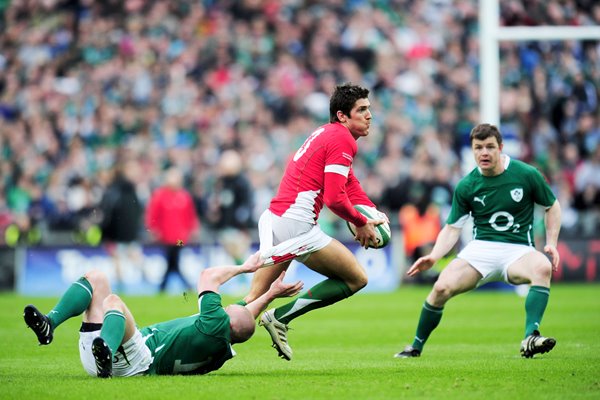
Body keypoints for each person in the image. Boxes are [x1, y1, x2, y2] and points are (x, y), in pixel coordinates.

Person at [241, 82, 387, 361]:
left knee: (252, 300)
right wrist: (360, 221)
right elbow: (334, 199)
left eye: (369, 109)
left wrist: (372, 211)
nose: (369, 115)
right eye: (362, 110)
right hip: (298, 225)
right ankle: (280, 317)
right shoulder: (342, 140)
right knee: (356, 278)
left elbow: (349, 184)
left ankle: (205, 336)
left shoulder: (328, 134)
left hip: (277, 217)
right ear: (342, 115)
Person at [394, 123, 561, 359]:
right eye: (478, 147)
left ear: (501, 148)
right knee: (441, 287)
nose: (484, 152)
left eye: (490, 147)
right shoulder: (467, 185)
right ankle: (415, 347)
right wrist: (434, 256)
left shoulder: (526, 174)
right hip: (480, 250)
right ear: (472, 150)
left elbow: (552, 206)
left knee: (542, 267)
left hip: (518, 250)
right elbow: (452, 228)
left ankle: (530, 337)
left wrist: (551, 242)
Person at [23, 251, 303, 378]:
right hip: (118, 356)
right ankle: (50, 324)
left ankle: (105, 350)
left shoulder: (213, 323)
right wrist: (269, 295)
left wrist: (244, 268)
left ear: (224, 320)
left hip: (133, 361)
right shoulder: (222, 342)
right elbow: (243, 316)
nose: (231, 304)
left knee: (114, 302)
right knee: (96, 278)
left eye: (228, 308)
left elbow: (207, 276)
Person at [146, 167, 199, 293]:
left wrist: (193, 230)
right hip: (166, 237)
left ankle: (163, 287)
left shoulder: (184, 196)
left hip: (180, 238)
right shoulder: (160, 195)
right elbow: (153, 214)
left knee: (173, 260)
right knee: (173, 261)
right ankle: (185, 286)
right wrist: (153, 229)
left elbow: (190, 216)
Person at [98, 161, 144, 292]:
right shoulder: (131, 190)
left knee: (117, 257)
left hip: (116, 233)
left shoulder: (113, 190)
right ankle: (146, 277)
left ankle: (121, 286)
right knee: (133, 255)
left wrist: (105, 232)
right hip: (129, 232)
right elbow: (137, 211)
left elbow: (107, 213)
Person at [207, 149, 255, 265]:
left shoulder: (242, 183)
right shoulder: (220, 182)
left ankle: (242, 278)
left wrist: (242, 222)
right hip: (221, 227)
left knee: (238, 254)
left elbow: (247, 204)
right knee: (226, 257)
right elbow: (214, 201)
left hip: (238, 228)